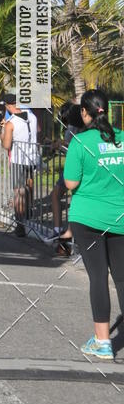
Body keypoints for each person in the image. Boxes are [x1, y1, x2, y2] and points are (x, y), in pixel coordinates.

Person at [64, 89, 124, 360]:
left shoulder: (80, 142)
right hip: (119, 216)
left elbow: (70, 183)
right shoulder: (122, 139)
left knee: (98, 277)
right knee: (122, 278)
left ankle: (102, 342)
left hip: (87, 218)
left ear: (85, 114)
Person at [0, 92, 39, 237]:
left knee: (18, 192)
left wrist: (3, 130)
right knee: (28, 187)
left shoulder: (11, 123)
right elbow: (37, 131)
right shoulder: (33, 117)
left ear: (9, 106)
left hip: (18, 159)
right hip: (32, 158)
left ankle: (20, 224)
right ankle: (29, 214)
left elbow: (6, 144)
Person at [51, 102, 85, 253]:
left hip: (76, 169)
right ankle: (62, 234)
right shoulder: (79, 126)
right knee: (70, 199)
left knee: (71, 199)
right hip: (75, 168)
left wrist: (60, 146)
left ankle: (65, 236)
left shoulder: (75, 127)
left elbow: (72, 149)